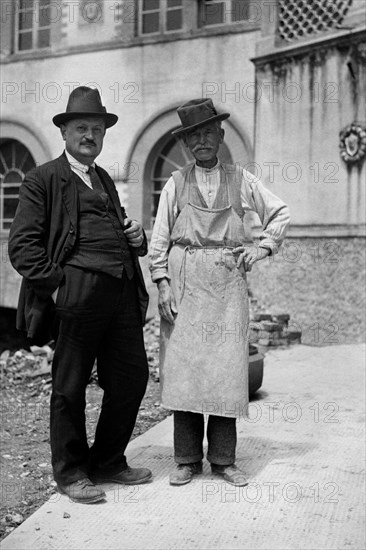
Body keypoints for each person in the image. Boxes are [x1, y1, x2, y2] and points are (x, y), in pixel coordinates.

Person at [9, 86, 152, 504]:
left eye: (97, 129)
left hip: (121, 292)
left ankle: (107, 460)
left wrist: (137, 238)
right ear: (65, 133)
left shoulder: (103, 177)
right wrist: (58, 287)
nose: (90, 135)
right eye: (82, 128)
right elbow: (22, 246)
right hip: (77, 295)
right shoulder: (43, 179)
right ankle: (71, 473)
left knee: (131, 379)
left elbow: (119, 231)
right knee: (69, 387)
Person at [149, 98, 290, 486]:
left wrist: (260, 248)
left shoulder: (242, 179)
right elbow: (159, 239)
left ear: (220, 135)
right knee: (186, 371)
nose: (201, 142)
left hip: (228, 284)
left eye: (207, 133)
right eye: (193, 136)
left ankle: (225, 461)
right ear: (185, 144)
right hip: (185, 282)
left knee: (227, 372)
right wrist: (162, 283)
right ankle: (186, 460)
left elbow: (279, 213)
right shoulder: (175, 184)